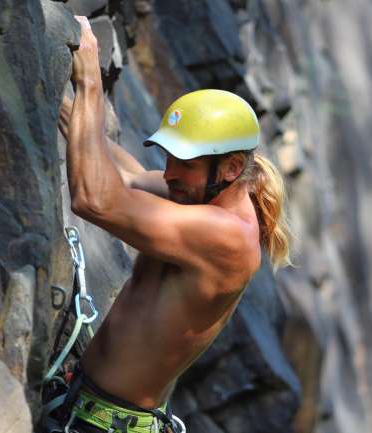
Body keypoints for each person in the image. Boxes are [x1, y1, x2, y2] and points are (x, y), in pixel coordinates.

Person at [58, 15, 291, 433]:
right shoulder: (198, 193)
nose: (168, 174)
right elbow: (125, 177)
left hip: (106, 424)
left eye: (184, 163)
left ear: (232, 167)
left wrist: (90, 83)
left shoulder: (227, 238)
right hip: (88, 409)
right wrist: (70, 108)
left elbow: (95, 199)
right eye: (168, 158)